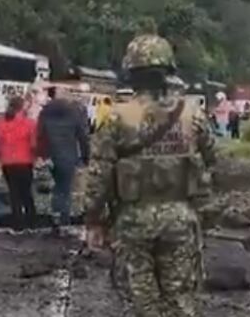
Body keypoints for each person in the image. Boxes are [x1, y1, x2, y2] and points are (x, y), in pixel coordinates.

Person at [83, 33, 216, 317]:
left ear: (130, 73)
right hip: (181, 220)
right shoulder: (191, 114)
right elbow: (212, 160)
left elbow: (99, 176)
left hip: (132, 223)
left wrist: (94, 221)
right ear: (168, 72)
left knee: (141, 303)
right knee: (180, 302)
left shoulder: (116, 118)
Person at [37, 86, 90, 229]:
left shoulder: (45, 112)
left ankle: (55, 217)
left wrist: (41, 154)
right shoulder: (74, 113)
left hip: (50, 155)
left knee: (56, 187)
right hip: (68, 155)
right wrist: (86, 156)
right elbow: (82, 136)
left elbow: (39, 135)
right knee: (65, 188)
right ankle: (64, 220)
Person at [0, 96, 37, 232]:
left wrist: (0, 155)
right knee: (27, 193)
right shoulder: (30, 123)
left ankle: (18, 224)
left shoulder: (1, 123)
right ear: (22, 107)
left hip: (8, 163)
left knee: (14, 194)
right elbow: (34, 144)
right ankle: (31, 222)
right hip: (25, 162)